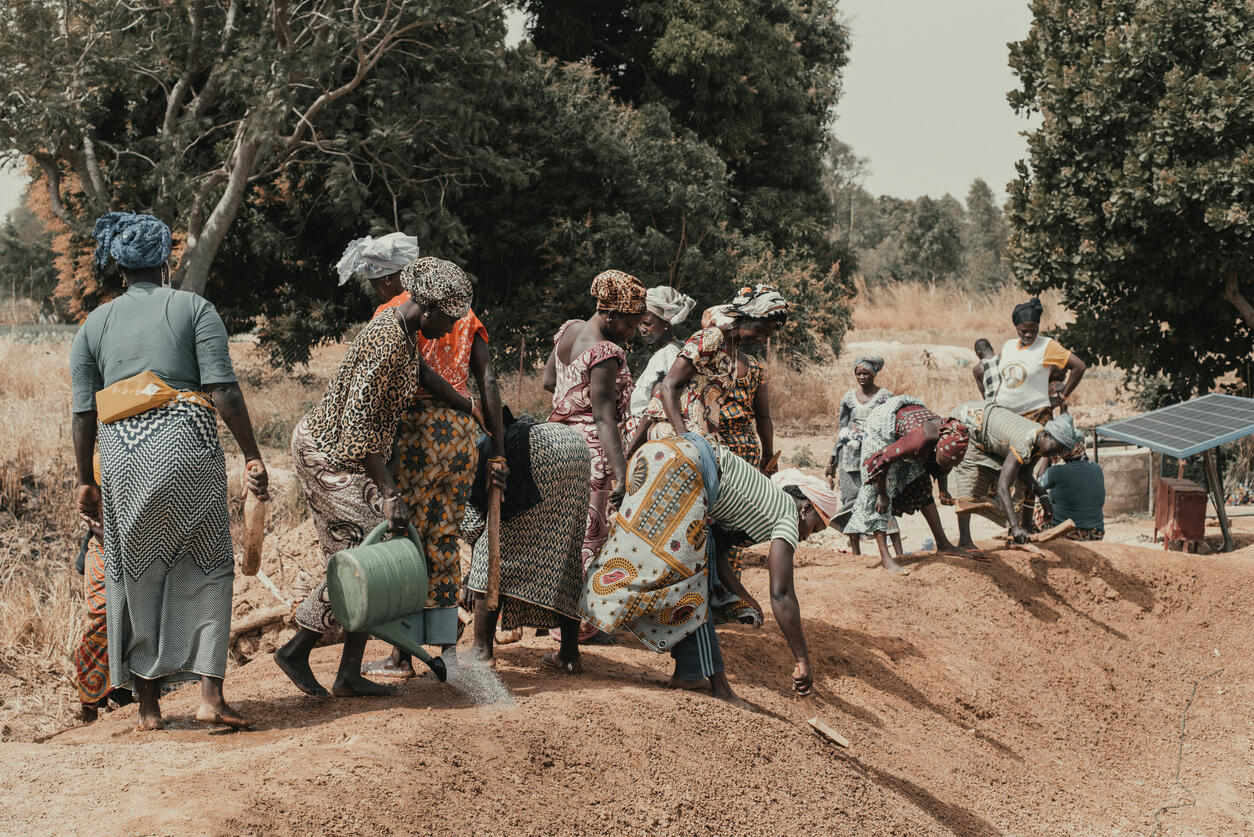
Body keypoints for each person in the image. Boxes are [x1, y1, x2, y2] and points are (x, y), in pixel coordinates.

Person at [71, 211, 270, 731]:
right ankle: (209, 697)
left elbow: (83, 412)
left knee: (135, 571)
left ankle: (149, 708)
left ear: (118, 269)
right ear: (165, 263)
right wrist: (251, 453)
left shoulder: (94, 324)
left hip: (122, 455)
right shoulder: (194, 307)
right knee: (206, 564)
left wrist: (85, 482)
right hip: (186, 443)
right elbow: (222, 388)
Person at [274, 256, 473, 698]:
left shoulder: (404, 333)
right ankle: (296, 649)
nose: (450, 330)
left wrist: (467, 406)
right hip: (327, 453)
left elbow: (421, 374)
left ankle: (347, 674)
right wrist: (390, 493)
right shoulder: (386, 339)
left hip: (350, 455)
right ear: (429, 308)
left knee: (360, 552)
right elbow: (359, 425)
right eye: (449, 320)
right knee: (367, 552)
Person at [580, 434, 823, 706]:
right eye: (815, 528)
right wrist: (802, 659)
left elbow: (713, 550)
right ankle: (720, 687)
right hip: (683, 466)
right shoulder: (788, 515)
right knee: (690, 581)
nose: (806, 537)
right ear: (807, 508)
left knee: (671, 568)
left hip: (658, 454)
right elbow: (782, 595)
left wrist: (744, 597)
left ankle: (690, 671)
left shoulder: (763, 504)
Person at [362, 257, 505, 679]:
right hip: (461, 438)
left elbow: (410, 376)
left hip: (415, 434)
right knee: (444, 535)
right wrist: (497, 451)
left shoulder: (395, 314)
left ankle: (401, 656)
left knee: (407, 538)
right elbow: (489, 382)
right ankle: (447, 651)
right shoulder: (467, 315)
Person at [461, 413, 591, 672]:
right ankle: (569, 655)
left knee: (490, 550)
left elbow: (473, 526)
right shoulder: (486, 440)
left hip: (537, 453)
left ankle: (481, 651)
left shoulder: (472, 455)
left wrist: (470, 576)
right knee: (564, 554)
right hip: (574, 446)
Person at [544, 269, 645, 571]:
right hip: (594, 455)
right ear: (612, 315)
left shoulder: (569, 330)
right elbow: (603, 419)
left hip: (558, 443)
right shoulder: (606, 352)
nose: (633, 332)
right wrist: (623, 474)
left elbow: (549, 380)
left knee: (564, 532)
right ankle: (586, 613)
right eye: (631, 324)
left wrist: (574, 403)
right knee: (592, 540)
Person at [637, 284, 789, 445]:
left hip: (701, 434)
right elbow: (667, 385)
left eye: (767, 335)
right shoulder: (712, 337)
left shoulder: (731, 350)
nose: (762, 338)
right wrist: (684, 437)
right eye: (760, 330)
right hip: (677, 431)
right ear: (744, 317)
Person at [840, 395, 971, 574]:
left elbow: (941, 465)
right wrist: (882, 495)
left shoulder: (951, 434)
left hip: (908, 419)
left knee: (922, 484)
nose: (948, 466)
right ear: (937, 448)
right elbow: (882, 461)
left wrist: (943, 490)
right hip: (882, 426)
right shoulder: (918, 442)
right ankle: (886, 558)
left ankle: (943, 544)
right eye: (945, 461)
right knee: (877, 493)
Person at [949, 402, 1083, 548]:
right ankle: (965, 541)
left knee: (1020, 483)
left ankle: (1022, 532)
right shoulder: (1025, 442)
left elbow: (1024, 473)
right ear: (1046, 435)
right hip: (967, 424)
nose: (1053, 454)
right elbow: (1002, 487)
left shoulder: (1040, 444)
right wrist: (1015, 526)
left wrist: (1043, 496)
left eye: (1058, 452)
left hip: (987, 433)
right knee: (969, 477)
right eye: (1054, 449)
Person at [824, 356, 900, 557]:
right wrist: (832, 462)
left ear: (874, 374)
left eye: (866, 373)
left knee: (881, 501)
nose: (862, 377)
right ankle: (856, 554)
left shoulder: (885, 396)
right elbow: (841, 430)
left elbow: (892, 425)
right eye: (858, 373)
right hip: (849, 458)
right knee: (851, 503)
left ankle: (898, 553)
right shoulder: (849, 398)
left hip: (874, 458)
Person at [995, 298, 1086, 423]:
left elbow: (1079, 366)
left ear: (1038, 326)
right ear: (1016, 327)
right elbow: (1003, 378)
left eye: (1033, 330)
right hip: (1004, 415)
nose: (1029, 334)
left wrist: (1062, 396)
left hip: (1034, 416)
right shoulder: (1008, 346)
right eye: (1023, 331)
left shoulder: (1046, 345)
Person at [629, 286, 697, 416]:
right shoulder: (671, 349)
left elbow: (658, 403)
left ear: (666, 323)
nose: (642, 329)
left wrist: (636, 437)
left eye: (648, 323)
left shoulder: (668, 354)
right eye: (640, 323)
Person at [335, 231, 420, 311]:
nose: (380, 296)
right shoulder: (428, 298)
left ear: (388, 280)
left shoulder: (390, 312)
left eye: (376, 286)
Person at [1038, 446, 1105, 540]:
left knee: (1042, 504)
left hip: (1067, 534)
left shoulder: (1057, 471)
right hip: (1095, 534)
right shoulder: (1097, 468)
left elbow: (1038, 484)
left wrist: (1047, 455)